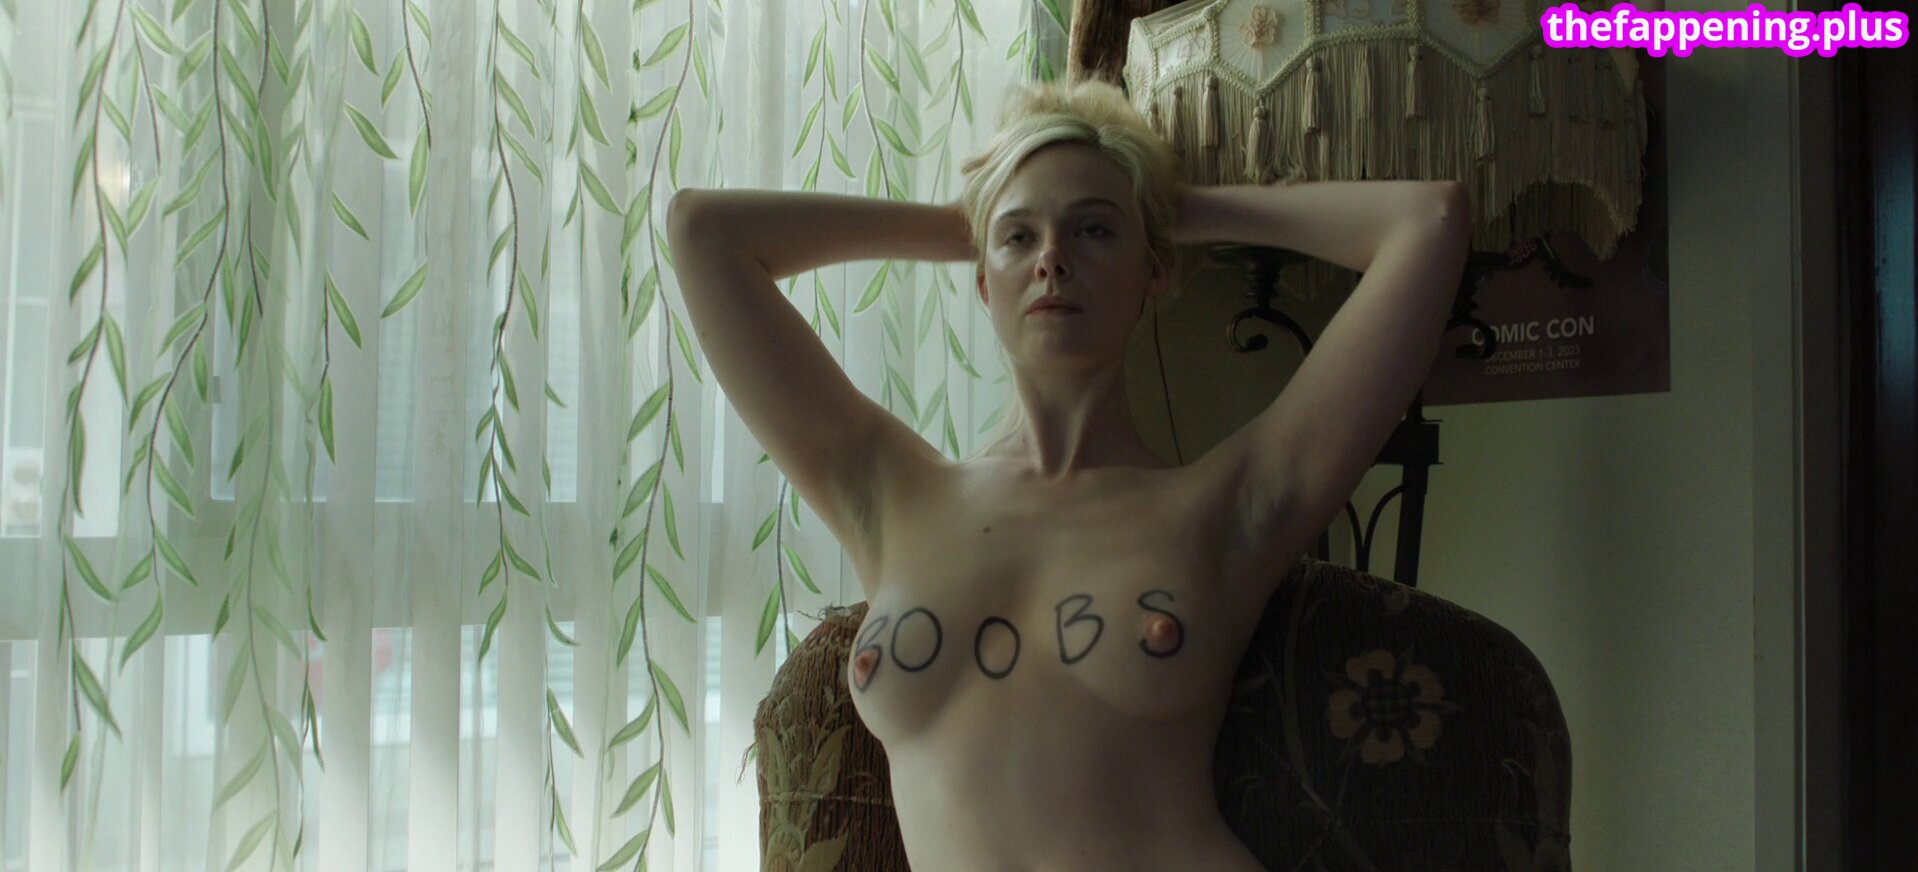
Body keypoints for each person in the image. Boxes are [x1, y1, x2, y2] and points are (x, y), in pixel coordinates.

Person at [667, 77, 1470, 871]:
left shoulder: (1230, 503)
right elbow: (703, 232)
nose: (1052, 260)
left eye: (1093, 231)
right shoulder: (886, 491)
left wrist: (1168, 211)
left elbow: (1428, 222)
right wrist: (964, 220)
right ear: (982, 280)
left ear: (1156, 271)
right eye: (1020, 239)